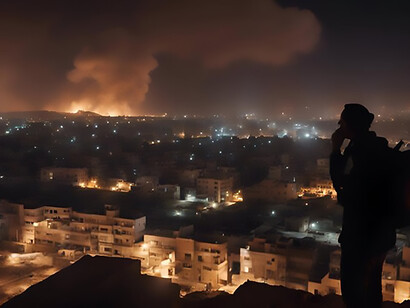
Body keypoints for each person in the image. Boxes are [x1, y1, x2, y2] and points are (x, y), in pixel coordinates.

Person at [330, 104, 396, 308]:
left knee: (354, 291)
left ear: (350, 125)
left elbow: (341, 184)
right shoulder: (377, 146)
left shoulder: (358, 151)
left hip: (361, 235)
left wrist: (335, 149)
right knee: (372, 288)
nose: (339, 125)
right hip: (381, 234)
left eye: (342, 122)